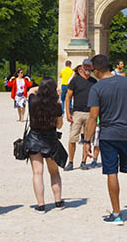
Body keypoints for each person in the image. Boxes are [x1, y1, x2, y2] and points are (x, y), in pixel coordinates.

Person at [85, 54, 127, 225]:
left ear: (97, 70)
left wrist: (87, 141)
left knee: (111, 173)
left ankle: (117, 213)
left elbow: (93, 117)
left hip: (108, 135)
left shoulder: (97, 88)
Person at [24, 77, 67, 213]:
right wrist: (56, 95)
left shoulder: (33, 101)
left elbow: (31, 90)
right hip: (50, 140)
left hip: (34, 139)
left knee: (37, 173)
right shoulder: (56, 105)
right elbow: (59, 125)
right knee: (54, 172)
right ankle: (58, 201)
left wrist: (42, 89)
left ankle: (41, 204)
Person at [64, 62, 97, 171]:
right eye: (85, 66)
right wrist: (68, 113)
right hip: (77, 112)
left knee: (87, 139)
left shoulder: (94, 82)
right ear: (82, 67)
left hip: (90, 113)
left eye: (89, 67)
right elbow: (68, 97)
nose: (87, 68)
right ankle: (71, 161)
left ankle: (83, 161)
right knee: (72, 138)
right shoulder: (75, 80)